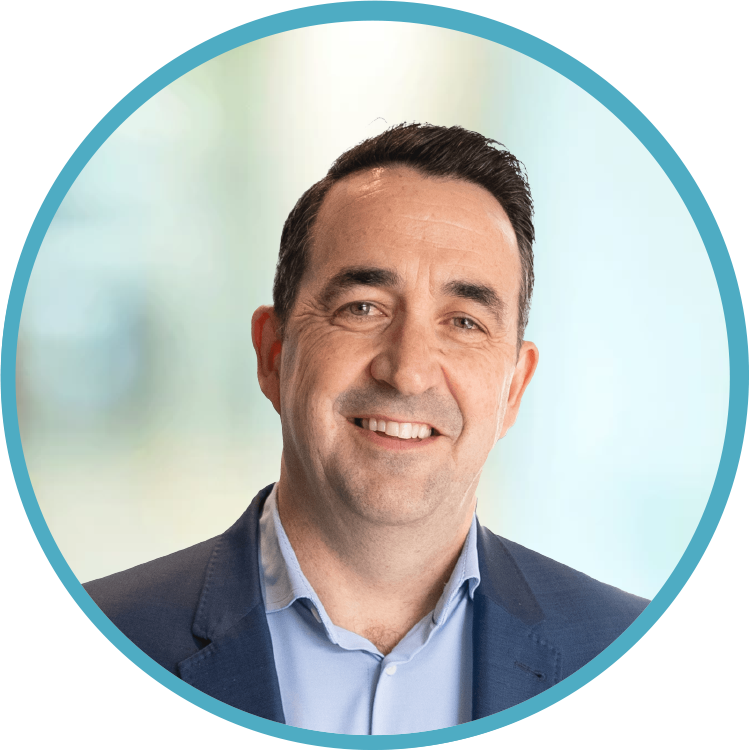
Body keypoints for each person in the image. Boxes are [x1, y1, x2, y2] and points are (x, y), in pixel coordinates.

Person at [84, 123, 649, 734]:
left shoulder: (620, 643)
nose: (407, 372)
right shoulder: (114, 629)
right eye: (362, 308)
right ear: (273, 354)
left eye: (464, 322)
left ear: (513, 389)